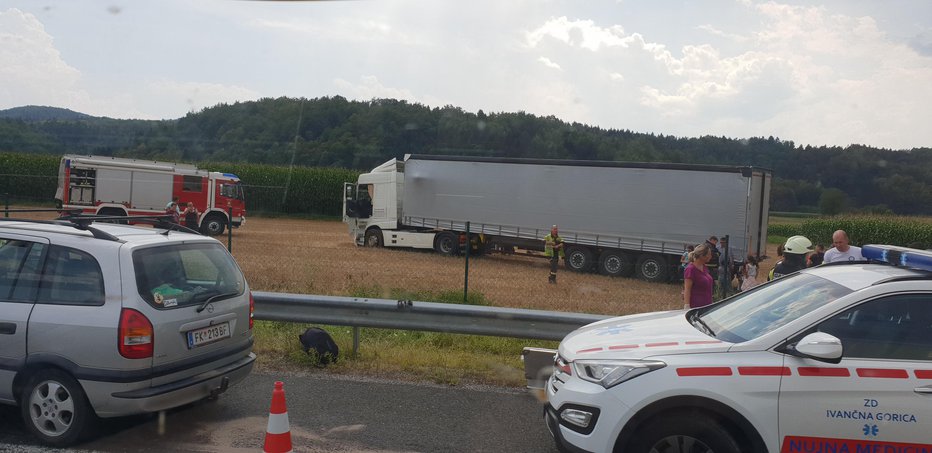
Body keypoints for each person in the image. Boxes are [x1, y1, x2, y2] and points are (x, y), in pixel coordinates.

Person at [683, 244, 714, 309]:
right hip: (696, 306)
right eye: (709, 254)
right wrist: (687, 306)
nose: (711, 256)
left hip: (707, 305)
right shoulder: (690, 269)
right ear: (702, 256)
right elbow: (687, 289)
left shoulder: (704, 267)